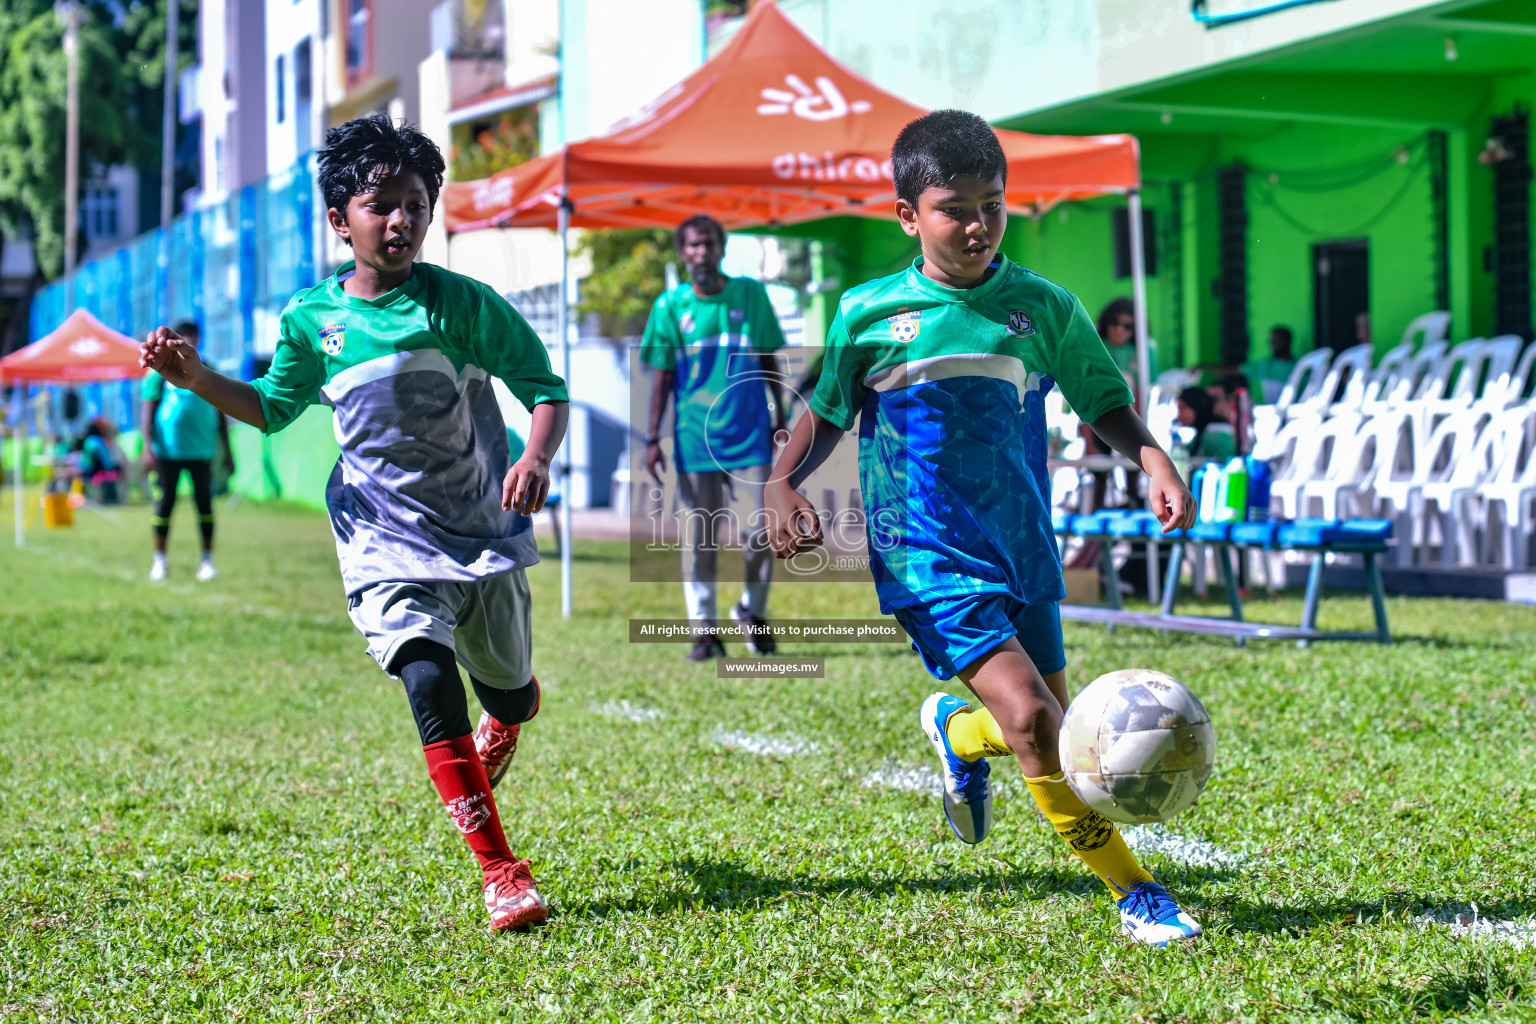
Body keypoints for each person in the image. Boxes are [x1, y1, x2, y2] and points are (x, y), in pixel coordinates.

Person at [765, 110, 1202, 946]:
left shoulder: (1042, 306)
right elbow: (824, 412)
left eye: (992, 204)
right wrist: (783, 485)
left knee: (1055, 724)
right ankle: (1137, 894)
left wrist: (1154, 460)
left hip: (1021, 541)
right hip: (924, 553)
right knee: (1039, 725)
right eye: (953, 207)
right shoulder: (867, 312)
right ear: (907, 215)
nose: (976, 224)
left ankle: (957, 733)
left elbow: (1102, 399)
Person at [139, 114, 569, 933]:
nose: (401, 219)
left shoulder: (462, 305)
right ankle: (501, 872)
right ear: (341, 220)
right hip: (381, 538)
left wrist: (536, 458)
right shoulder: (311, 322)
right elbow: (270, 409)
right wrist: (196, 379)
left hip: (479, 529)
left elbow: (544, 388)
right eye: (382, 205)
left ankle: (507, 716)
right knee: (424, 676)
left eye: (416, 203)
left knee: (508, 691)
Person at [641, 215, 787, 662]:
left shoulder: (750, 295)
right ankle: (704, 631)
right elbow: (662, 379)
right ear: (682, 253)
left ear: (722, 248)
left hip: (750, 439)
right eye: (693, 246)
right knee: (699, 539)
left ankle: (752, 611)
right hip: (693, 440)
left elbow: (769, 361)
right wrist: (652, 438)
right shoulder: (669, 307)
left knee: (760, 532)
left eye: (709, 244)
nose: (702, 252)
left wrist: (781, 413)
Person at [141, 322, 232, 581]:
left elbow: (223, 410)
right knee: (165, 504)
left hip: (201, 450)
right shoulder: (159, 371)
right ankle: (159, 560)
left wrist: (228, 451)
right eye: (184, 337)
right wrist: (147, 447)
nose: (187, 341)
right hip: (167, 453)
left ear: (198, 340)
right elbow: (148, 410)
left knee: (204, 504)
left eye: (192, 337)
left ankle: (207, 562)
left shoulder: (209, 370)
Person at [1176, 386, 1236, 461]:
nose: (1179, 415)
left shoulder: (1214, 434)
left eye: (1183, 408)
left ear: (1198, 406)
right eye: (1179, 409)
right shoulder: (1203, 433)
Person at [1242, 326, 1297, 405]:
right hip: (1273, 413)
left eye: (1277, 340)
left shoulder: (1302, 364)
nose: (1272, 344)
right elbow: (1237, 370)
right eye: (1271, 341)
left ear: (1287, 341)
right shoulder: (1266, 365)